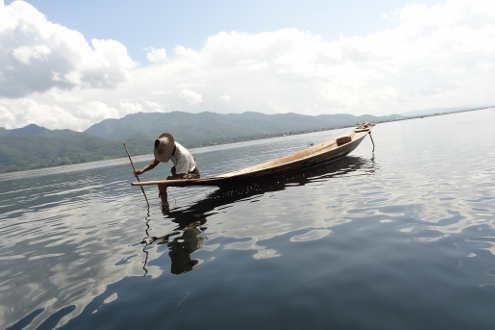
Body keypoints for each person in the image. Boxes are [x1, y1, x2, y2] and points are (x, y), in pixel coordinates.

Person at [134, 133, 200, 208]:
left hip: (193, 174)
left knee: (162, 184)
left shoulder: (182, 156)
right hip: (183, 171)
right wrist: (142, 170)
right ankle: (164, 204)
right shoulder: (167, 145)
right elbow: (154, 163)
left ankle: (165, 207)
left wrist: (168, 180)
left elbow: (181, 177)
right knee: (170, 174)